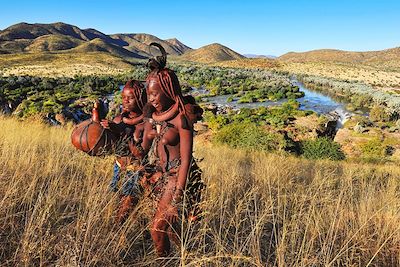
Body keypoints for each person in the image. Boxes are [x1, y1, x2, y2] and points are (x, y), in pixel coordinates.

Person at [140, 43, 204, 256]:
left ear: (168, 91)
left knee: (157, 229)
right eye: (148, 95)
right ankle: (190, 257)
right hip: (162, 175)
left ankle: (164, 262)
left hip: (177, 178)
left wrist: (177, 197)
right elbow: (144, 145)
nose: (151, 100)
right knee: (171, 229)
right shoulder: (153, 115)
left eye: (155, 94)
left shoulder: (181, 119)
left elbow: (185, 159)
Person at [100, 79, 147, 224]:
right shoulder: (119, 119)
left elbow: (142, 151)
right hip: (119, 166)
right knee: (117, 197)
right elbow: (112, 144)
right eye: (123, 98)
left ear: (140, 99)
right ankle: (123, 229)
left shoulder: (146, 122)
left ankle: (118, 228)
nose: (125, 101)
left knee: (129, 201)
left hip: (135, 169)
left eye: (130, 98)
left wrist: (119, 131)